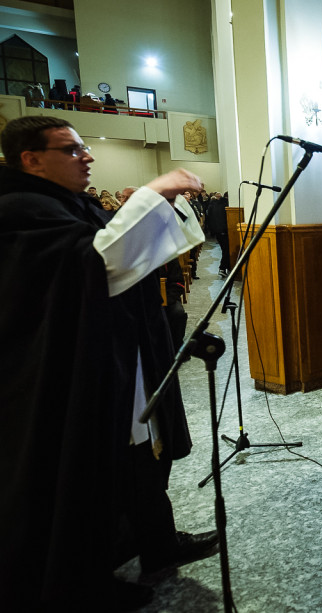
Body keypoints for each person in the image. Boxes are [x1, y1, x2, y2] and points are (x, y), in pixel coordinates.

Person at [0, 115, 213, 611]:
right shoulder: (18, 212)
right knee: (89, 471)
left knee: (143, 451)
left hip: (121, 353)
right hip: (67, 372)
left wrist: (155, 205)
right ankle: (84, 581)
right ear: (31, 159)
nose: (87, 156)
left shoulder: (62, 203)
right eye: (71, 150)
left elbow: (129, 253)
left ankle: (157, 542)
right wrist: (154, 190)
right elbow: (101, 264)